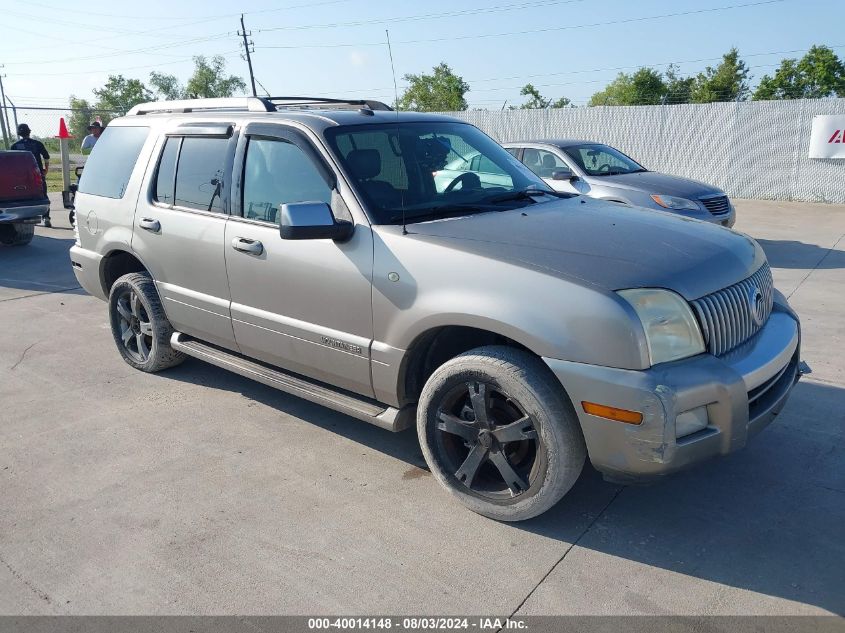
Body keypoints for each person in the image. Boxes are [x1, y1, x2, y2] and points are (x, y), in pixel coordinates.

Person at [11, 123, 51, 227]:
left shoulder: (15, 145)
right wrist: (46, 169)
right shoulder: (37, 144)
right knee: (42, 194)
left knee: (23, 195)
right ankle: (46, 217)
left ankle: (26, 217)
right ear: (29, 132)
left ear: (19, 133)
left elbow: (13, 161)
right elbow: (46, 156)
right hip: (36, 173)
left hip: (21, 175)